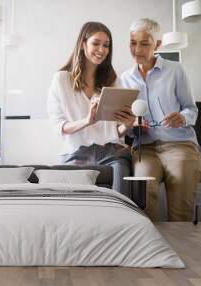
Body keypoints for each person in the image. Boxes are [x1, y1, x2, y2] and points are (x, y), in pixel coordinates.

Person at [120, 18, 201, 221]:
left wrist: (181, 118)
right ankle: (152, 252)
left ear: (158, 45)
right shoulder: (123, 79)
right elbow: (126, 126)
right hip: (145, 149)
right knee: (143, 203)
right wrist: (133, 125)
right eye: (132, 42)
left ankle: (181, 251)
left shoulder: (176, 70)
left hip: (180, 145)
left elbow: (192, 110)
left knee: (180, 213)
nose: (137, 49)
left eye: (144, 43)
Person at [47, 22, 136, 196]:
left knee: (121, 194)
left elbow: (115, 131)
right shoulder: (61, 80)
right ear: (82, 44)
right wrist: (87, 121)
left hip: (112, 152)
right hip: (76, 152)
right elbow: (59, 127)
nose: (101, 49)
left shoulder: (112, 81)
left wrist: (127, 125)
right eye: (96, 43)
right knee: (69, 199)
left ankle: (119, 220)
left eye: (106, 45)